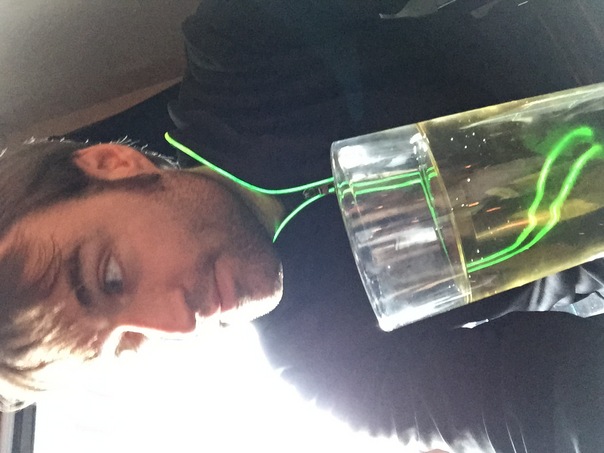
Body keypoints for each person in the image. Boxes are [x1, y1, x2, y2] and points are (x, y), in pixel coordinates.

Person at [1, 0, 604, 451]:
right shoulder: (323, 362)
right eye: (126, 345)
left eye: (110, 277)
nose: (176, 323)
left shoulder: (239, 45)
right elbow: (544, 405)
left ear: (114, 164)